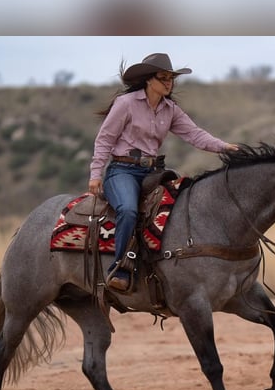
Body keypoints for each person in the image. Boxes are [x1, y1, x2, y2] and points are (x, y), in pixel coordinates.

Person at [89, 52, 239, 291]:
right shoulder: (126, 104)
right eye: (163, 77)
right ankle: (119, 268)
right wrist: (96, 175)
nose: (169, 82)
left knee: (181, 206)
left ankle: (167, 268)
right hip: (122, 171)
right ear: (149, 80)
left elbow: (195, 134)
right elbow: (105, 139)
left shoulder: (171, 110)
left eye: (171, 78)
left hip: (154, 172)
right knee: (128, 210)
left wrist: (224, 147)